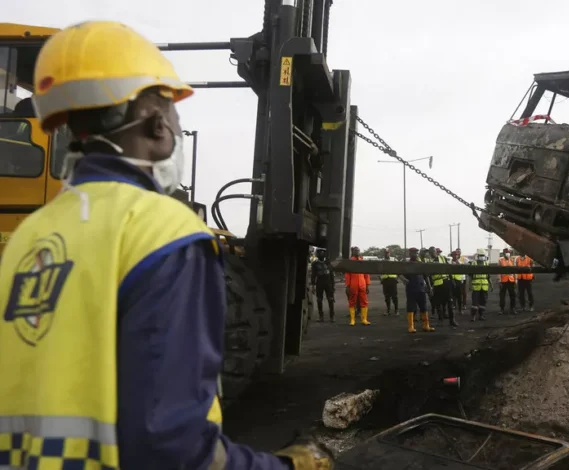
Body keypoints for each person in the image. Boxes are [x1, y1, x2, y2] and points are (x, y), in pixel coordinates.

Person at [0, 20, 332, 470]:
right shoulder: (163, 233)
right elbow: (171, 450)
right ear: (155, 122)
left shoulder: (28, 238)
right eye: (175, 112)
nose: (176, 125)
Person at [398, 248, 435, 333]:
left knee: (424, 307)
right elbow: (398, 272)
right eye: (414, 253)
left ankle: (426, 326)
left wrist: (429, 287)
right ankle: (411, 327)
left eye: (416, 253)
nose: (415, 254)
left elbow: (426, 276)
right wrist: (403, 279)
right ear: (410, 254)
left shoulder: (421, 264)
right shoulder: (406, 264)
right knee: (411, 307)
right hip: (411, 289)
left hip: (421, 289)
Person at [426, 246, 458, 327]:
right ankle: (440, 320)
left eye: (433, 251)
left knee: (450, 302)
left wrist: (452, 280)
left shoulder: (443, 258)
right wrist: (430, 286)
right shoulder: (429, 262)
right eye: (430, 252)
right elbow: (428, 276)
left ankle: (452, 320)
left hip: (446, 282)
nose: (432, 253)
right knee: (438, 304)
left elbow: (449, 269)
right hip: (436, 284)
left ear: (436, 252)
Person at [345, 246, 371, 326]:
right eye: (355, 251)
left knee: (364, 302)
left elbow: (366, 274)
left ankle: (364, 319)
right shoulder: (350, 262)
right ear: (353, 252)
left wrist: (367, 285)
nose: (357, 252)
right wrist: (347, 286)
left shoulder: (362, 261)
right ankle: (352, 320)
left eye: (358, 251)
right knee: (352, 302)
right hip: (353, 285)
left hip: (362, 284)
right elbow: (347, 275)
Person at [310, 248, 336, 322]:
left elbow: (331, 275)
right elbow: (313, 275)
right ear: (317, 254)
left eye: (323, 252)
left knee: (331, 300)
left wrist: (333, 285)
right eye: (319, 252)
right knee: (319, 300)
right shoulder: (315, 263)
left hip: (328, 283)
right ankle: (321, 316)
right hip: (319, 283)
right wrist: (313, 286)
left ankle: (332, 316)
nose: (321, 253)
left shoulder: (328, 263)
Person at [469, 249, 492, 321]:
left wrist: (491, 285)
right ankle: (473, 316)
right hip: (476, 287)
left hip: (484, 286)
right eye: (481, 255)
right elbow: (470, 276)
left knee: (483, 302)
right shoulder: (474, 264)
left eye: (483, 256)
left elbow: (488, 276)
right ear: (478, 256)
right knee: (474, 303)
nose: (482, 257)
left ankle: (481, 315)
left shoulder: (486, 264)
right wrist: (469, 286)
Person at [380, 248, 399, 316]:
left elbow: (399, 268)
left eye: (387, 252)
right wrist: (381, 279)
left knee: (394, 296)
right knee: (387, 297)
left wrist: (397, 277)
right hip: (385, 280)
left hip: (392, 279)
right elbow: (379, 271)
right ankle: (388, 310)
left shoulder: (394, 259)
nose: (386, 253)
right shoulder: (382, 261)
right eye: (385, 252)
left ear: (389, 253)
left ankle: (396, 310)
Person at [498, 248, 517, 315]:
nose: (507, 254)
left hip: (511, 280)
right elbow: (498, 271)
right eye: (506, 252)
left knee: (513, 295)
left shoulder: (512, 260)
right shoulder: (500, 261)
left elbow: (515, 271)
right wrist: (499, 280)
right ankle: (502, 309)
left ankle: (513, 308)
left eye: (508, 252)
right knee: (502, 296)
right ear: (503, 253)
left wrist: (516, 280)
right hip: (503, 281)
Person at [450, 250, 466, 315]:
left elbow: (462, 272)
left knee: (459, 296)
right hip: (451, 280)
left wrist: (462, 280)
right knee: (452, 295)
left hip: (458, 281)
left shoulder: (460, 262)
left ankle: (460, 309)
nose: (455, 256)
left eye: (456, 255)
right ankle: (453, 306)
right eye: (454, 255)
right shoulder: (449, 262)